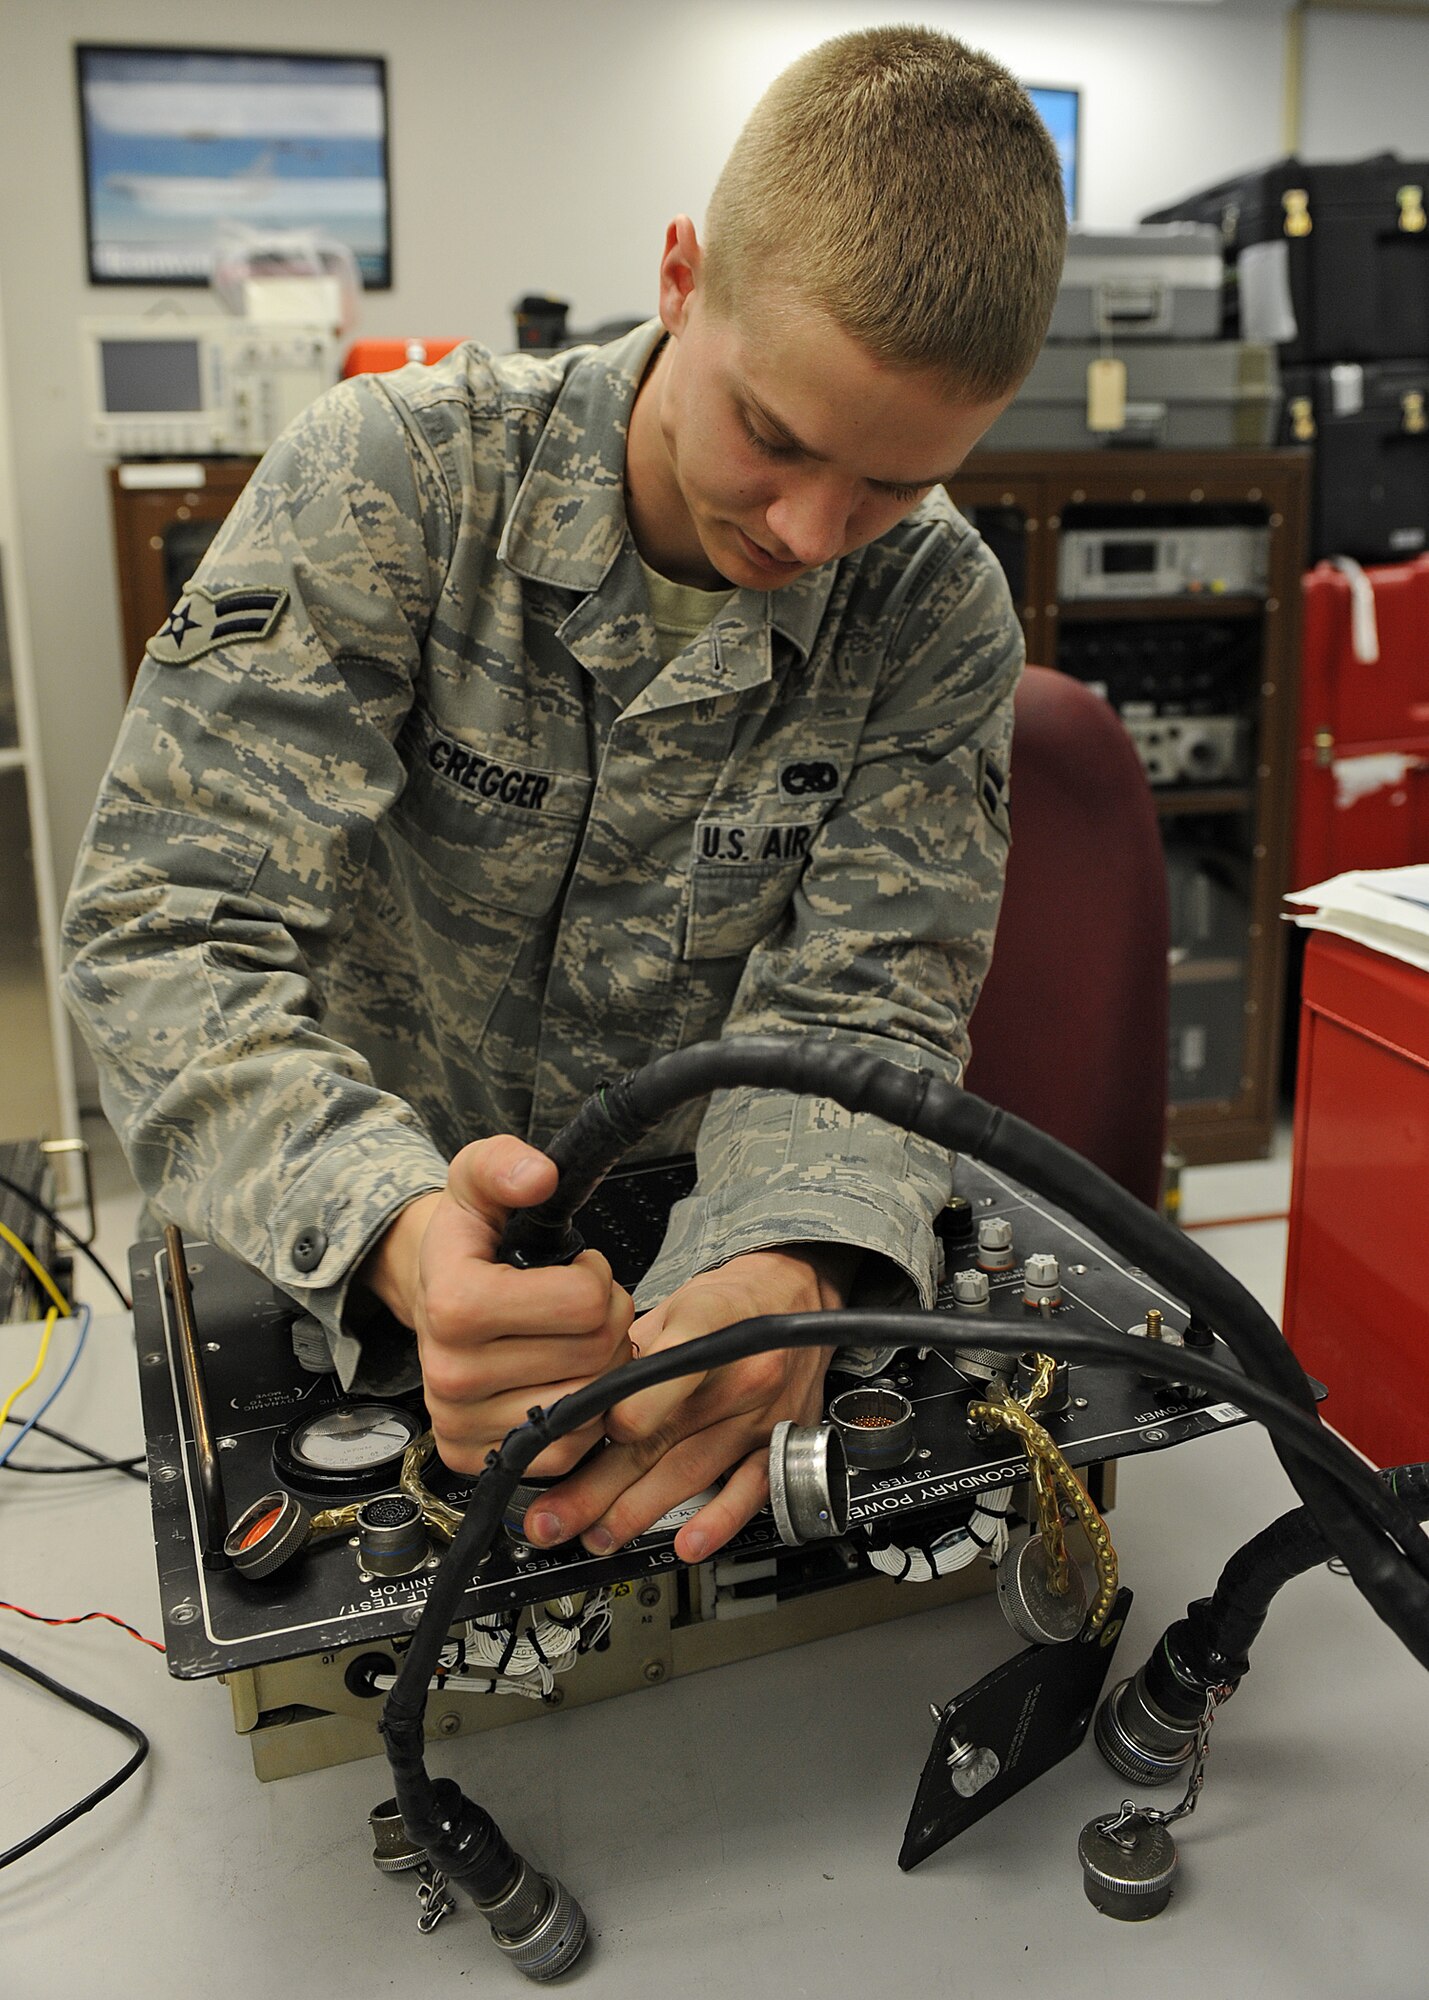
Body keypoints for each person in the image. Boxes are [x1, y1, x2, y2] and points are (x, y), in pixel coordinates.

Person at [62, 27, 1066, 1569]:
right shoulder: (394, 484)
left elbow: (865, 1013)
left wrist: (790, 1265)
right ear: (679, 277)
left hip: (701, 1302)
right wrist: (395, 1228)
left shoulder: (933, 611)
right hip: (343, 1247)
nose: (809, 527)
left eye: (888, 485)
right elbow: (162, 929)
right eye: (774, 437)